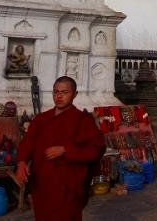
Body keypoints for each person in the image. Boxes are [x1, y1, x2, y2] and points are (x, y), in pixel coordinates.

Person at [16, 76, 105, 221]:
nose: (59, 96)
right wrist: (21, 163)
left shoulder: (82, 120)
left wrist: (65, 150)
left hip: (67, 186)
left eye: (64, 92)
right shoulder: (41, 119)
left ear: (74, 94)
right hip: (42, 184)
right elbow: (27, 143)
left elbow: (94, 150)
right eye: (56, 92)